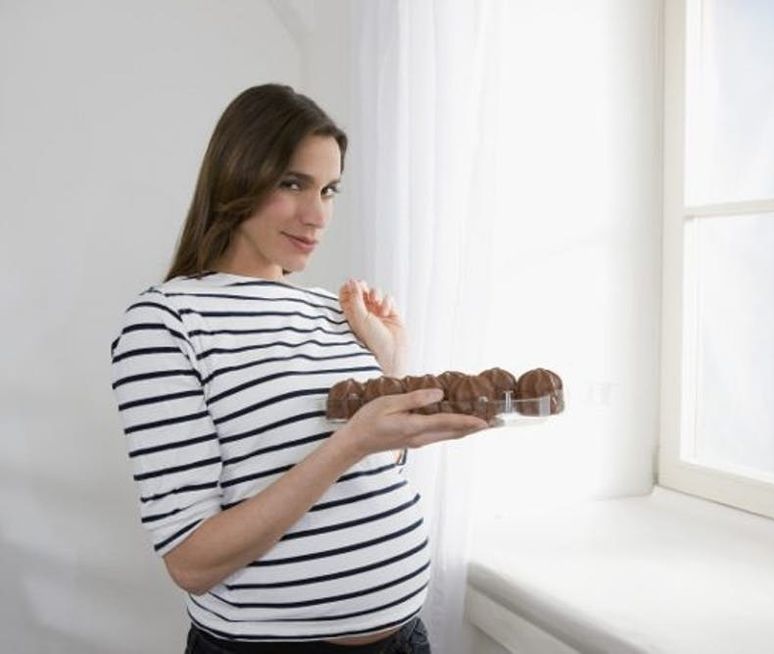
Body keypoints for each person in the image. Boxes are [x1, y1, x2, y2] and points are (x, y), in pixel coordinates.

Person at [109, 83, 489, 653]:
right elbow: (191, 562)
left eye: (330, 190)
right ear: (237, 178)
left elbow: (374, 466)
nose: (318, 215)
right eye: (293, 184)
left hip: (406, 639)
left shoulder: (332, 310)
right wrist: (350, 444)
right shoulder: (166, 321)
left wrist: (392, 363)